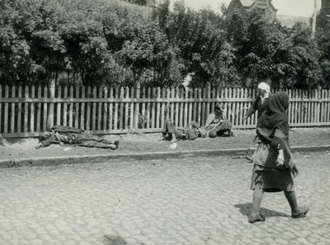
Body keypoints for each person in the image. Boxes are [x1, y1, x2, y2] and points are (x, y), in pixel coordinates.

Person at [248, 92, 309, 223]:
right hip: (275, 154)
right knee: (287, 181)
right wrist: (281, 154)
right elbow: (279, 136)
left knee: (260, 183)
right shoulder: (282, 116)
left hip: (262, 152)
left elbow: (260, 130)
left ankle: (254, 214)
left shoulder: (265, 114)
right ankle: (296, 211)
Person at [36, 125, 119, 150]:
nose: (47, 134)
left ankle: (111, 142)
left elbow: (68, 128)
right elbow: (45, 142)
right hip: (76, 141)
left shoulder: (56, 127)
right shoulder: (53, 138)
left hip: (80, 134)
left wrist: (80, 130)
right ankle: (110, 146)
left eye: (45, 133)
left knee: (96, 138)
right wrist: (40, 144)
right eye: (45, 136)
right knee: (93, 143)